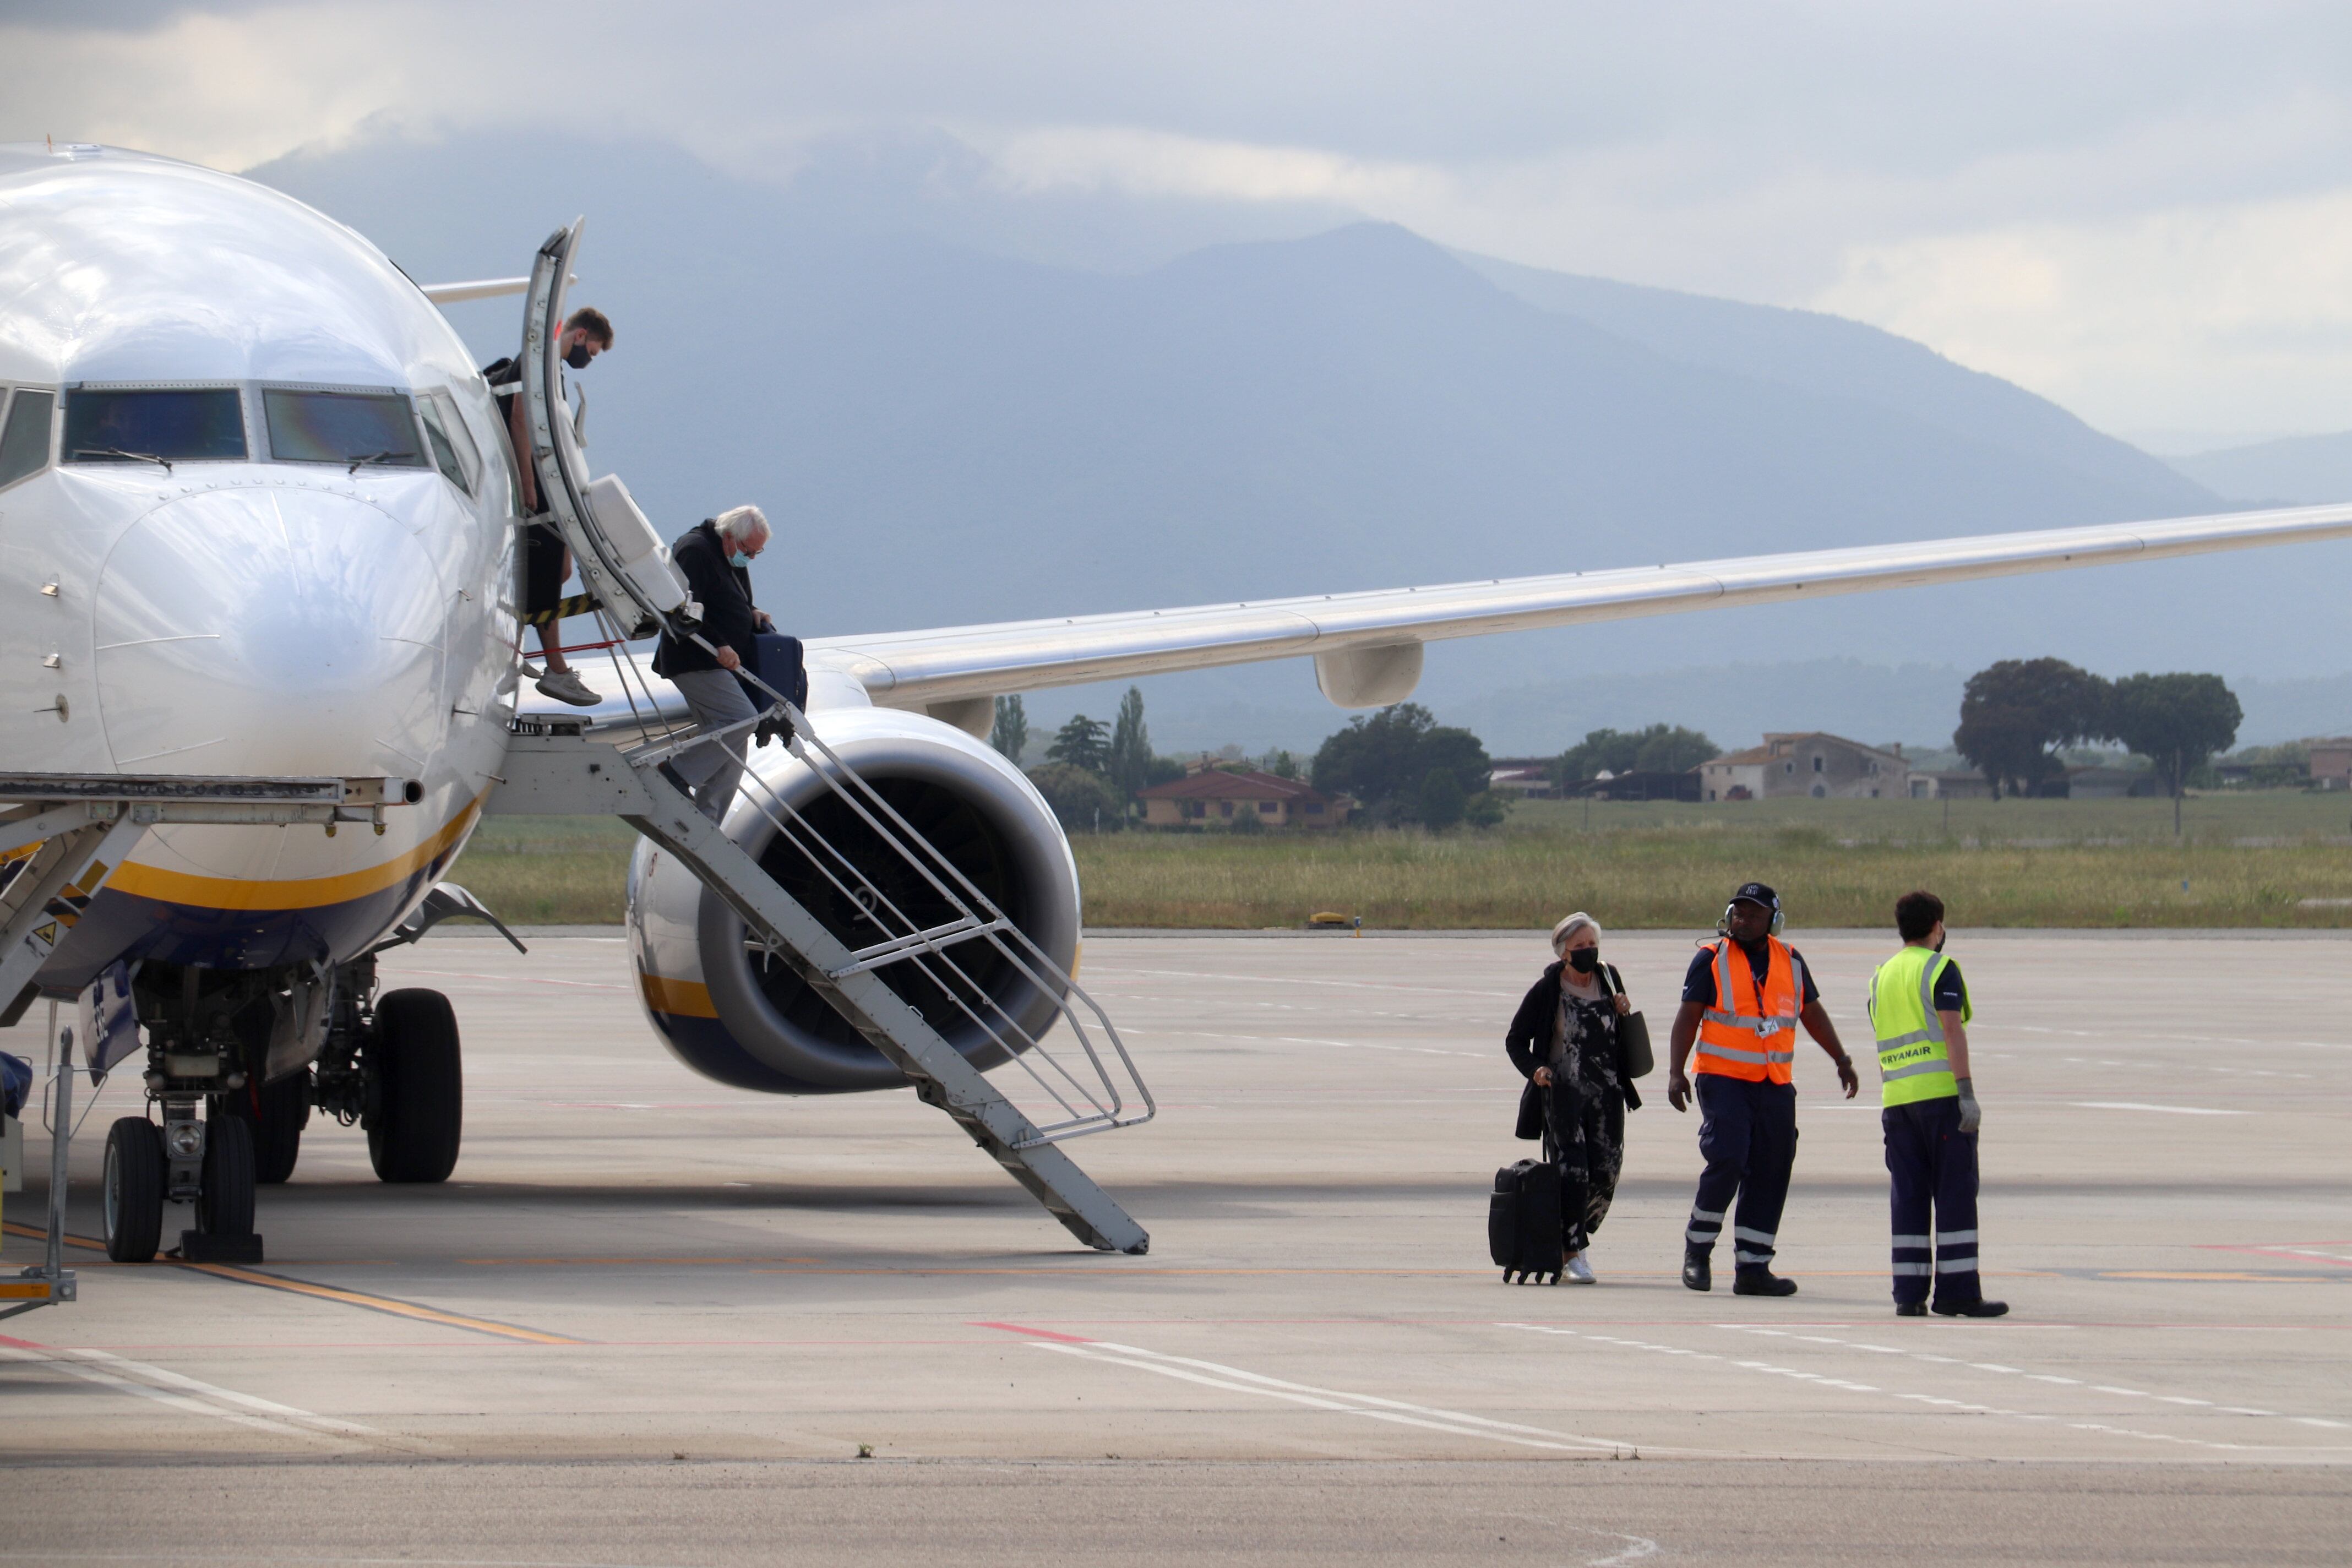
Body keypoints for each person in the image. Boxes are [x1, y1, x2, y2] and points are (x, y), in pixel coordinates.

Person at [1667, 882, 1859, 1295]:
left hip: (1775, 1083)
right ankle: (1698, 1251)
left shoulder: (1790, 961)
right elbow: (1688, 1017)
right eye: (1739, 911)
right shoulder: (1710, 960)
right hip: (1723, 1080)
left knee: (1773, 1167)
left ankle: (1753, 1267)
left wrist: (1841, 1060)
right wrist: (1676, 1072)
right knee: (1729, 1159)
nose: (1743, 919)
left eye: (1754, 913)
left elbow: (1811, 1013)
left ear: (1774, 921)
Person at [1869, 891, 2006, 1319]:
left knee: (1908, 1195)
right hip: (1940, 1099)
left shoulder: (1882, 975)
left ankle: (1909, 1295)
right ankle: (1957, 1292)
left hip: (1897, 1103)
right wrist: (1965, 1091)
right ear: (1937, 926)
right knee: (1955, 1193)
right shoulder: (1941, 969)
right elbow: (1952, 1031)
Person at [1503, 912, 1642, 1284]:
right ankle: (1571, 1252)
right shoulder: (1548, 989)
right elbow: (1515, 1040)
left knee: (1606, 1171)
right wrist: (1536, 1069)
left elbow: (1622, 1036)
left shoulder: (1609, 978)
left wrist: (1623, 1010)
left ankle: (1576, 1227)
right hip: (1564, 1095)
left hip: (1607, 1094)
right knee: (1573, 1172)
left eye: (1592, 945)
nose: (1588, 952)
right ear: (1564, 953)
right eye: (1579, 947)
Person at [487, 306, 614, 707]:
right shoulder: (537, 365)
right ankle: (556, 670)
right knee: (545, 573)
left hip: (547, 488)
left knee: (558, 570)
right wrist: (528, 484)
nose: (588, 360)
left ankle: (517, 650)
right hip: (537, 489)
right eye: (592, 351)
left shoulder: (548, 370)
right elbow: (521, 421)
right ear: (580, 336)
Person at [651, 506, 775, 821]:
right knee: (742, 719)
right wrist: (719, 642)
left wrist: (753, 612)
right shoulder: (695, 551)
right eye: (750, 551)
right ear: (731, 538)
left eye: (758, 553)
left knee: (732, 751)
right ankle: (674, 772)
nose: (752, 559)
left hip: (720, 664)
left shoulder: (729, 552)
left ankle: (706, 823)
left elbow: (729, 598)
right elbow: (682, 606)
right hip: (696, 659)